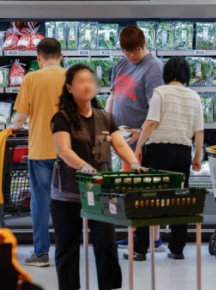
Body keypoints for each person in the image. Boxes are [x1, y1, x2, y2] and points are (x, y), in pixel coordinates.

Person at [50, 64, 148, 290]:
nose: (87, 85)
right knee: (67, 248)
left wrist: (133, 162)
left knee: (107, 246)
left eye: (90, 81)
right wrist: (83, 166)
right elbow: (64, 150)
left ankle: (109, 287)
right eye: (81, 81)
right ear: (69, 88)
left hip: (101, 192)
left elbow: (120, 144)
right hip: (68, 193)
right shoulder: (61, 118)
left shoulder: (105, 117)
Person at [126, 57, 204, 261]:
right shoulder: (194, 97)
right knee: (180, 198)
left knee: (146, 198)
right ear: (186, 75)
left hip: (158, 150)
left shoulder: (160, 92)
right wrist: (197, 156)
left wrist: (139, 145)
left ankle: (141, 248)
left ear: (166, 74)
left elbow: (151, 122)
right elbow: (199, 130)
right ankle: (177, 249)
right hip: (183, 152)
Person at [8, 38, 67, 267]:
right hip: (68, 152)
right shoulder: (71, 76)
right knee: (67, 202)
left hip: (41, 149)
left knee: (40, 203)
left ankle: (41, 254)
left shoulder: (31, 78)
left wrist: (14, 128)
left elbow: (20, 118)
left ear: (38, 58)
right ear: (61, 57)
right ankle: (66, 250)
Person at [107, 25, 165, 251]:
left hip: (143, 140)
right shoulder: (121, 64)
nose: (131, 55)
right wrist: (107, 121)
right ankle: (137, 235)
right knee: (132, 190)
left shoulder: (154, 67)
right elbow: (113, 95)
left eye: (135, 50)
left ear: (143, 44)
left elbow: (156, 107)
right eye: (126, 51)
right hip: (123, 138)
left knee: (146, 190)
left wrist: (141, 132)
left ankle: (153, 238)